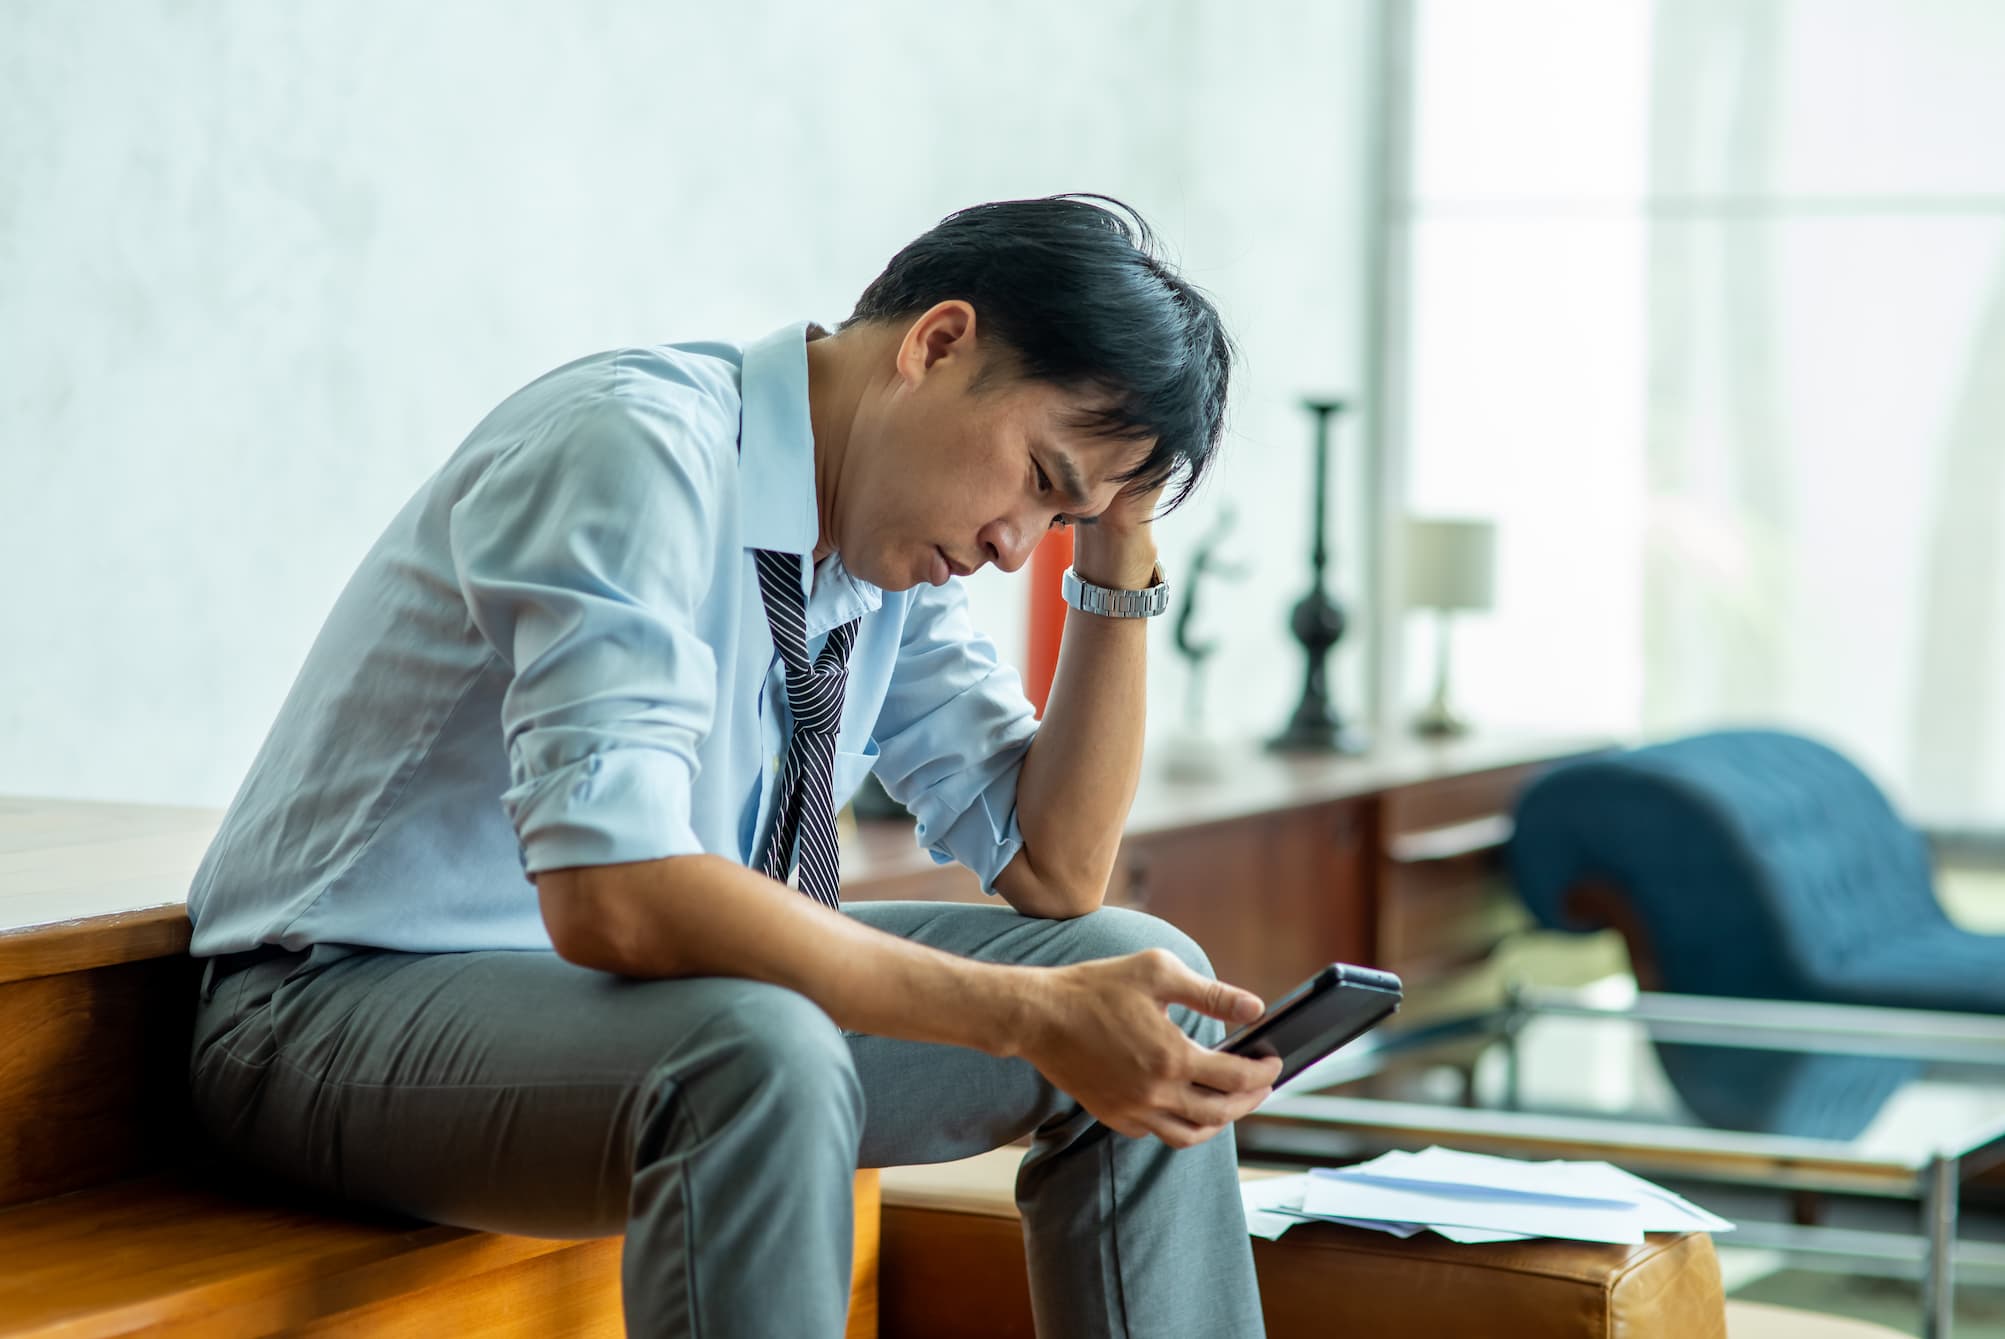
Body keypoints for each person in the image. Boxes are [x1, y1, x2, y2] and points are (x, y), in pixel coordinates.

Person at [185, 194, 1280, 1338]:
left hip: (635, 1018)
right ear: (938, 342)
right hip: (327, 1012)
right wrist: (1021, 1013)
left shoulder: (881, 554)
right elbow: (616, 897)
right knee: (760, 1051)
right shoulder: (635, 449)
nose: (1015, 547)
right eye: (1040, 479)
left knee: (1149, 992)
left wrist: (1119, 539)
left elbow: (1056, 872)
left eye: (1059, 519)